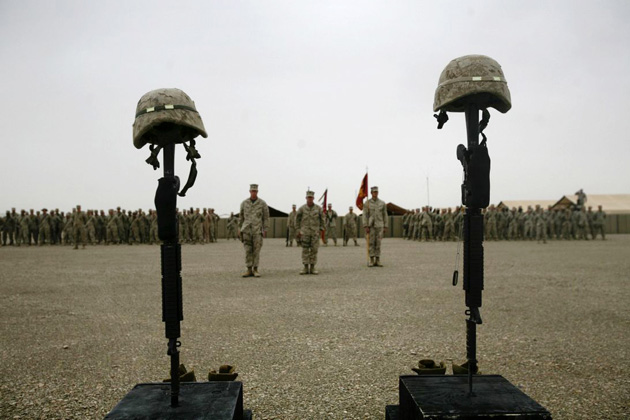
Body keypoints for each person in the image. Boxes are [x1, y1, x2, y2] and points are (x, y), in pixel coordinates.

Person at [238, 184, 270, 278]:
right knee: (248, 250)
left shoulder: (262, 203)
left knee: (256, 250)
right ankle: (248, 269)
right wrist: (239, 229)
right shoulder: (244, 203)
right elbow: (241, 217)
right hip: (246, 230)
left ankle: (255, 269)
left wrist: (265, 229)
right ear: (249, 191)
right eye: (252, 191)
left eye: (255, 191)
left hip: (257, 230)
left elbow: (266, 217)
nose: (253, 192)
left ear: (257, 192)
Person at [296, 190, 325, 274]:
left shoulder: (318, 208)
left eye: (311, 198)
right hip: (305, 233)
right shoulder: (302, 209)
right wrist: (298, 230)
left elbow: (323, 219)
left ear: (313, 198)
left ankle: (312, 267)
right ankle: (305, 267)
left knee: (314, 250)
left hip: (315, 233)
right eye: (308, 197)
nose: (310, 199)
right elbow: (297, 219)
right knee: (305, 250)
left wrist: (321, 228)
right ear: (306, 198)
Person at [362, 186, 388, 267]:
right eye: (374, 192)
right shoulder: (367, 203)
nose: (375, 193)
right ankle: (371, 259)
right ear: (371, 193)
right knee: (371, 242)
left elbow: (385, 215)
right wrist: (365, 225)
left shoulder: (382, 203)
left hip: (379, 225)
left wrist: (385, 226)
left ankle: (378, 259)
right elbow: (364, 215)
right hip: (371, 226)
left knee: (378, 243)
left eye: (376, 192)